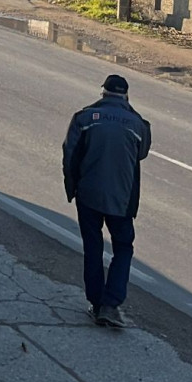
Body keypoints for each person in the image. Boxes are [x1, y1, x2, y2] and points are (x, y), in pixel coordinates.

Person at [62, 72, 152, 328]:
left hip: (88, 195)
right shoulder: (138, 124)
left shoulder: (85, 117)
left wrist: (72, 188)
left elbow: (69, 155)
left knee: (93, 247)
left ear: (103, 92)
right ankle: (111, 304)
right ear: (126, 95)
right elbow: (142, 153)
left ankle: (96, 302)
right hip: (122, 200)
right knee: (123, 248)